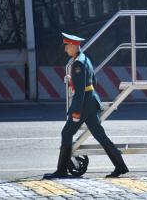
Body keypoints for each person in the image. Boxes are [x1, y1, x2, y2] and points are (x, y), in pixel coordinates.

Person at [43, 32, 129, 179]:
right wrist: (73, 81)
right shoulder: (85, 59)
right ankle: (120, 166)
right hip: (90, 102)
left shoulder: (77, 63)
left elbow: (80, 90)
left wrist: (76, 112)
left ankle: (62, 170)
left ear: (74, 46)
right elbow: (92, 81)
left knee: (67, 133)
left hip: (83, 105)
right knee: (100, 136)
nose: (65, 49)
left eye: (67, 46)